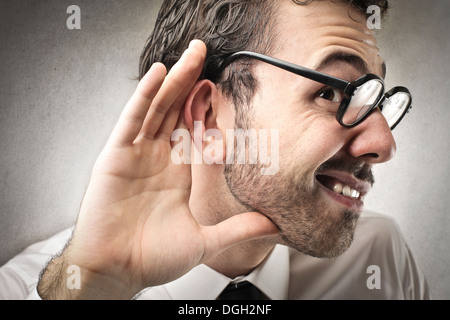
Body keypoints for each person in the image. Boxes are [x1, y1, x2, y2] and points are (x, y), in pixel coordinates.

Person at [0, 0, 430, 300]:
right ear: (208, 115)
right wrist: (96, 288)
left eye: (376, 100)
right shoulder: (39, 291)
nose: (383, 144)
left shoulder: (380, 257)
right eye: (334, 92)